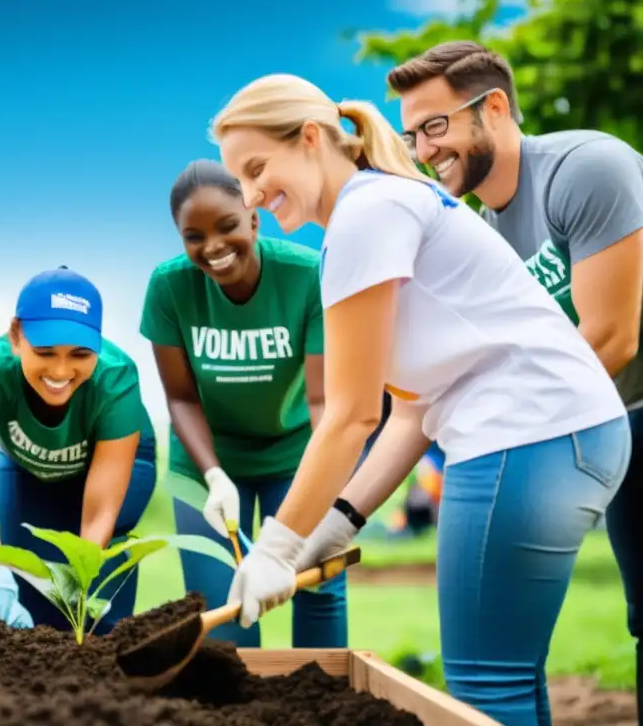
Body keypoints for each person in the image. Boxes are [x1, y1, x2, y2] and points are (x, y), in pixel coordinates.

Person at [210, 73, 631, 726]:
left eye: (257, 168)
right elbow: (411, 409)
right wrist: (340, 520)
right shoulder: (385, 205)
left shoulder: (365, 216)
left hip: (526, 438)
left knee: (485, 688)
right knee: (510, 678)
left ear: (311, 138)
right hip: (567, 435)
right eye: (239, 179)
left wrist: (275, 548)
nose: (251, 195)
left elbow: (352, 416)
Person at [386, 40, 643, 710]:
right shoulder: (482, 234)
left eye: (434, 126)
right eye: (410, 135)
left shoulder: (588, 170)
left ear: (493, 107)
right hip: (606, 421)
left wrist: (506, 429)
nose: (421, 150)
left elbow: (613, 336)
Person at [138, 158, 347, 648]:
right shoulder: (168, 288)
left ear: (254, 218)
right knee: (225, 610)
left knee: (316, 585)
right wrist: (213, 476)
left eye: (227, 226)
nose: (212, 247)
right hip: (206, 465)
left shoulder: (305, 276)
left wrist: (331, 491)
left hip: (294, 457)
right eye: (194, 236)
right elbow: (181, 398)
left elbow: (322, 401)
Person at [0, 266, 157, 633]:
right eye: (45, 351)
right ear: (15, 336)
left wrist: (81, 577)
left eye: (80, 354)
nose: (61, 370)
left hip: (120, 463)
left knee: (94, 609)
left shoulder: (117, 379)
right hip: (26, 466)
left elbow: (98, 515)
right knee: (26, 596)